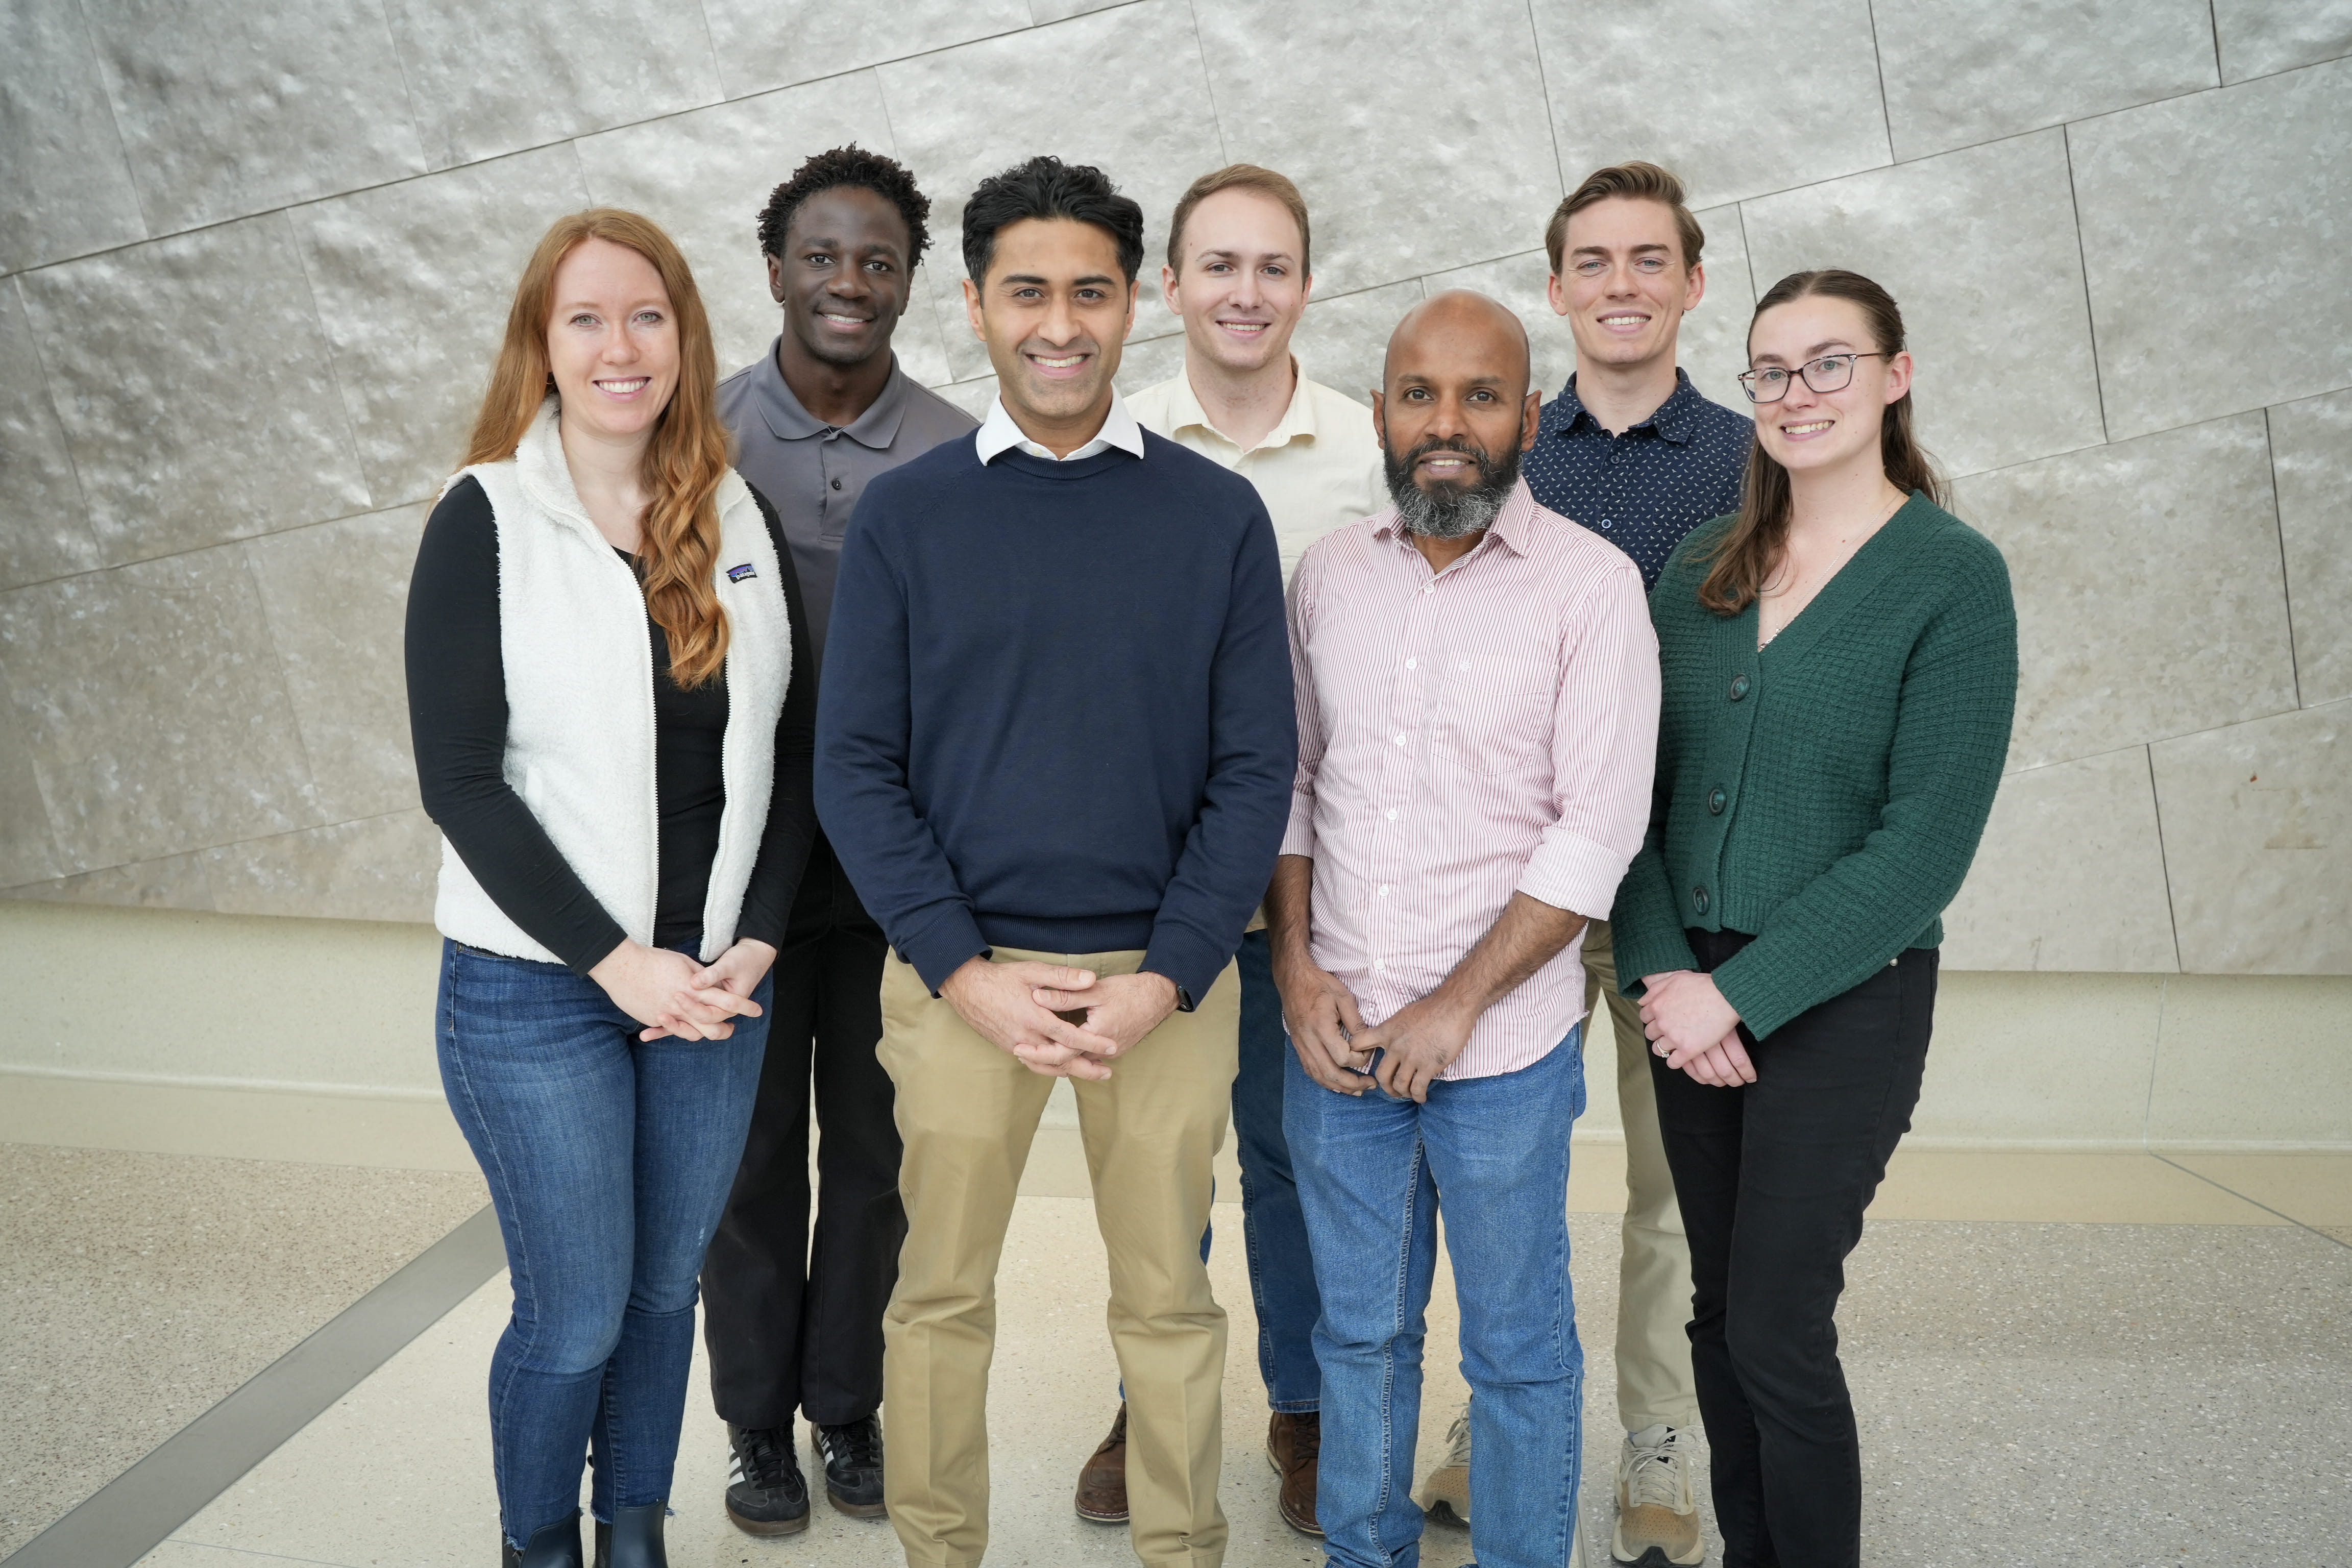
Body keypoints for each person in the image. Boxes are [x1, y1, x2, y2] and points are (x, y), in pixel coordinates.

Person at [815, 155, 1295, 1568]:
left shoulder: (1216, 517)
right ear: (974, 306)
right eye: (1026, 292)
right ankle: (937, 1551)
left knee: (1169, 1305)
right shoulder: (908, 517)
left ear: (1135, 302)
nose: (1060, 323)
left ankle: (1182, 1550)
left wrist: (1169, 974)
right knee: (939, 1299)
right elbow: (857, 768)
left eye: (1091, 291)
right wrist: (963, 971)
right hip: (963, 982)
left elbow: (1254, 770)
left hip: (1164, 981)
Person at [404, 208, 818, 1568]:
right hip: (537, 992)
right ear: (541, 342)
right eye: (585, 318)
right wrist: (615, 961)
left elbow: (794, 748)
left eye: (647, 316)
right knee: (575, 1314)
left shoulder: (736, 511)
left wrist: (756, 939)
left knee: (658, 1296)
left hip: (711, 987)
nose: (619, 346)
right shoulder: (485, 519)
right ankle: (539, 1548)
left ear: (684, 338)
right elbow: (462, 783)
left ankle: (632, 1531)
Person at [1615, 268, 2016, 1568]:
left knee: (1779, 1325)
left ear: (1896, 375)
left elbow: (1926, 849)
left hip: (1848, 996)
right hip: (1687, 995)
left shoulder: (1952, 578)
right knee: (1717, 1313)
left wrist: (1738, 995)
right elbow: (1629, 804)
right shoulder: (1698, 570)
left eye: (1830, 362)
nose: (1799, 394)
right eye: (1773, 371)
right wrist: (1665, 975)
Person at [1271, 289, 1660, 1568]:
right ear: (1382, 413)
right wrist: (1295, 966)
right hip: (1340, 1045)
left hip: (1503, 1055)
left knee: (1517, 1349)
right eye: (1419, 395)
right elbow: (1292, 784)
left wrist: (1457, 1005)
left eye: (1481, 396)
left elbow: (1597, 829)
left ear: (1530, 419)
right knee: (1358, 1338)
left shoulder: (1592, 587)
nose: (1447, 423)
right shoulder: (1329, 575)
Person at [1424, 159, 1753, 1568]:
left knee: (1673, 1188)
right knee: (1502, 1175)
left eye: (1649, 259)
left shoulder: (1752, 465)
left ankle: (1659, 1431)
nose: (1623, 285)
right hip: (1520, 898)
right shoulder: (1505, 447)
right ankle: (1496, 1409)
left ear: (1693, 283)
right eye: (1595, 262)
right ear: (1557, 289)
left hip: (1683, 896)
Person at [1076, 161, 1384, 1539]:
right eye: (1219, 265)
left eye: (1272, 266)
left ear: (1306, 284)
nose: (1245, 292)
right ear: (1170, 286)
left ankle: (1304, 1407)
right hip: (1155, 883)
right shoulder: (1117, 439)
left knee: (1294, 1155)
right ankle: (1150, 1401)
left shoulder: (1371, 450)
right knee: (1160, 1162)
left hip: (1319, 884)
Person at [700, 144, 975, 1539]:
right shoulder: (697, 432)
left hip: (894, 865)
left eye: (878, 260)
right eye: (821, 256)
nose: (848, 282)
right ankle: (755, 1421)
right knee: (748, 1159)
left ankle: (847, 1405)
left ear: (911, 281)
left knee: (878, 1155)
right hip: (737, 861)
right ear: (775, 272)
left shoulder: (959, 450)